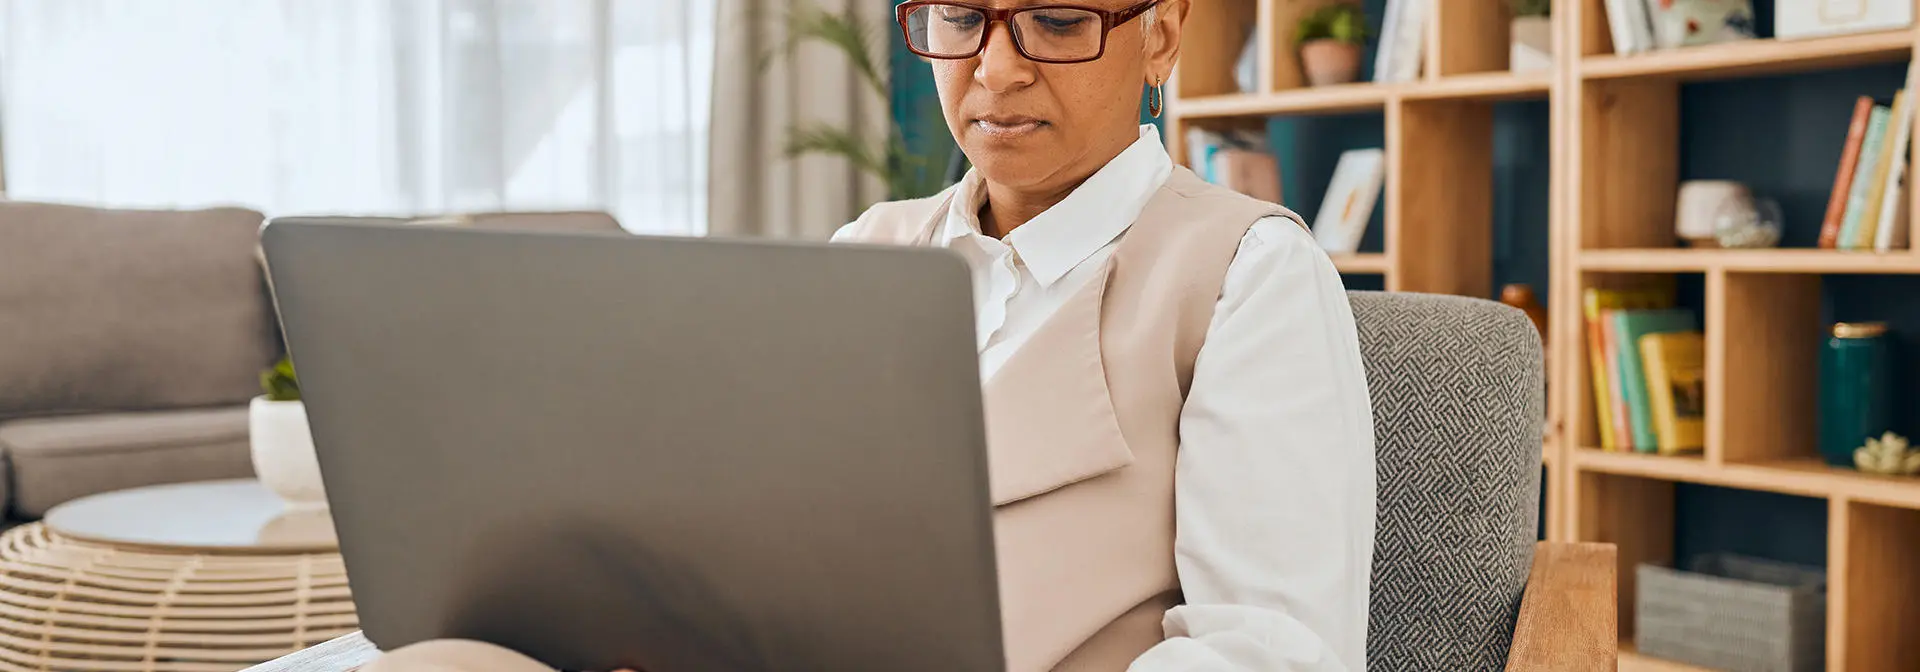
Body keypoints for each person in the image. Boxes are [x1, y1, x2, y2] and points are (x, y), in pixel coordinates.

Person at [365, 1, 1374, 670]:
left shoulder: (1248, 272)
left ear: (1161, 33)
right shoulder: (869, 248)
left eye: (1057, 22)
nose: (997, 70)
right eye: (960, 18)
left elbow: (1267, 648)